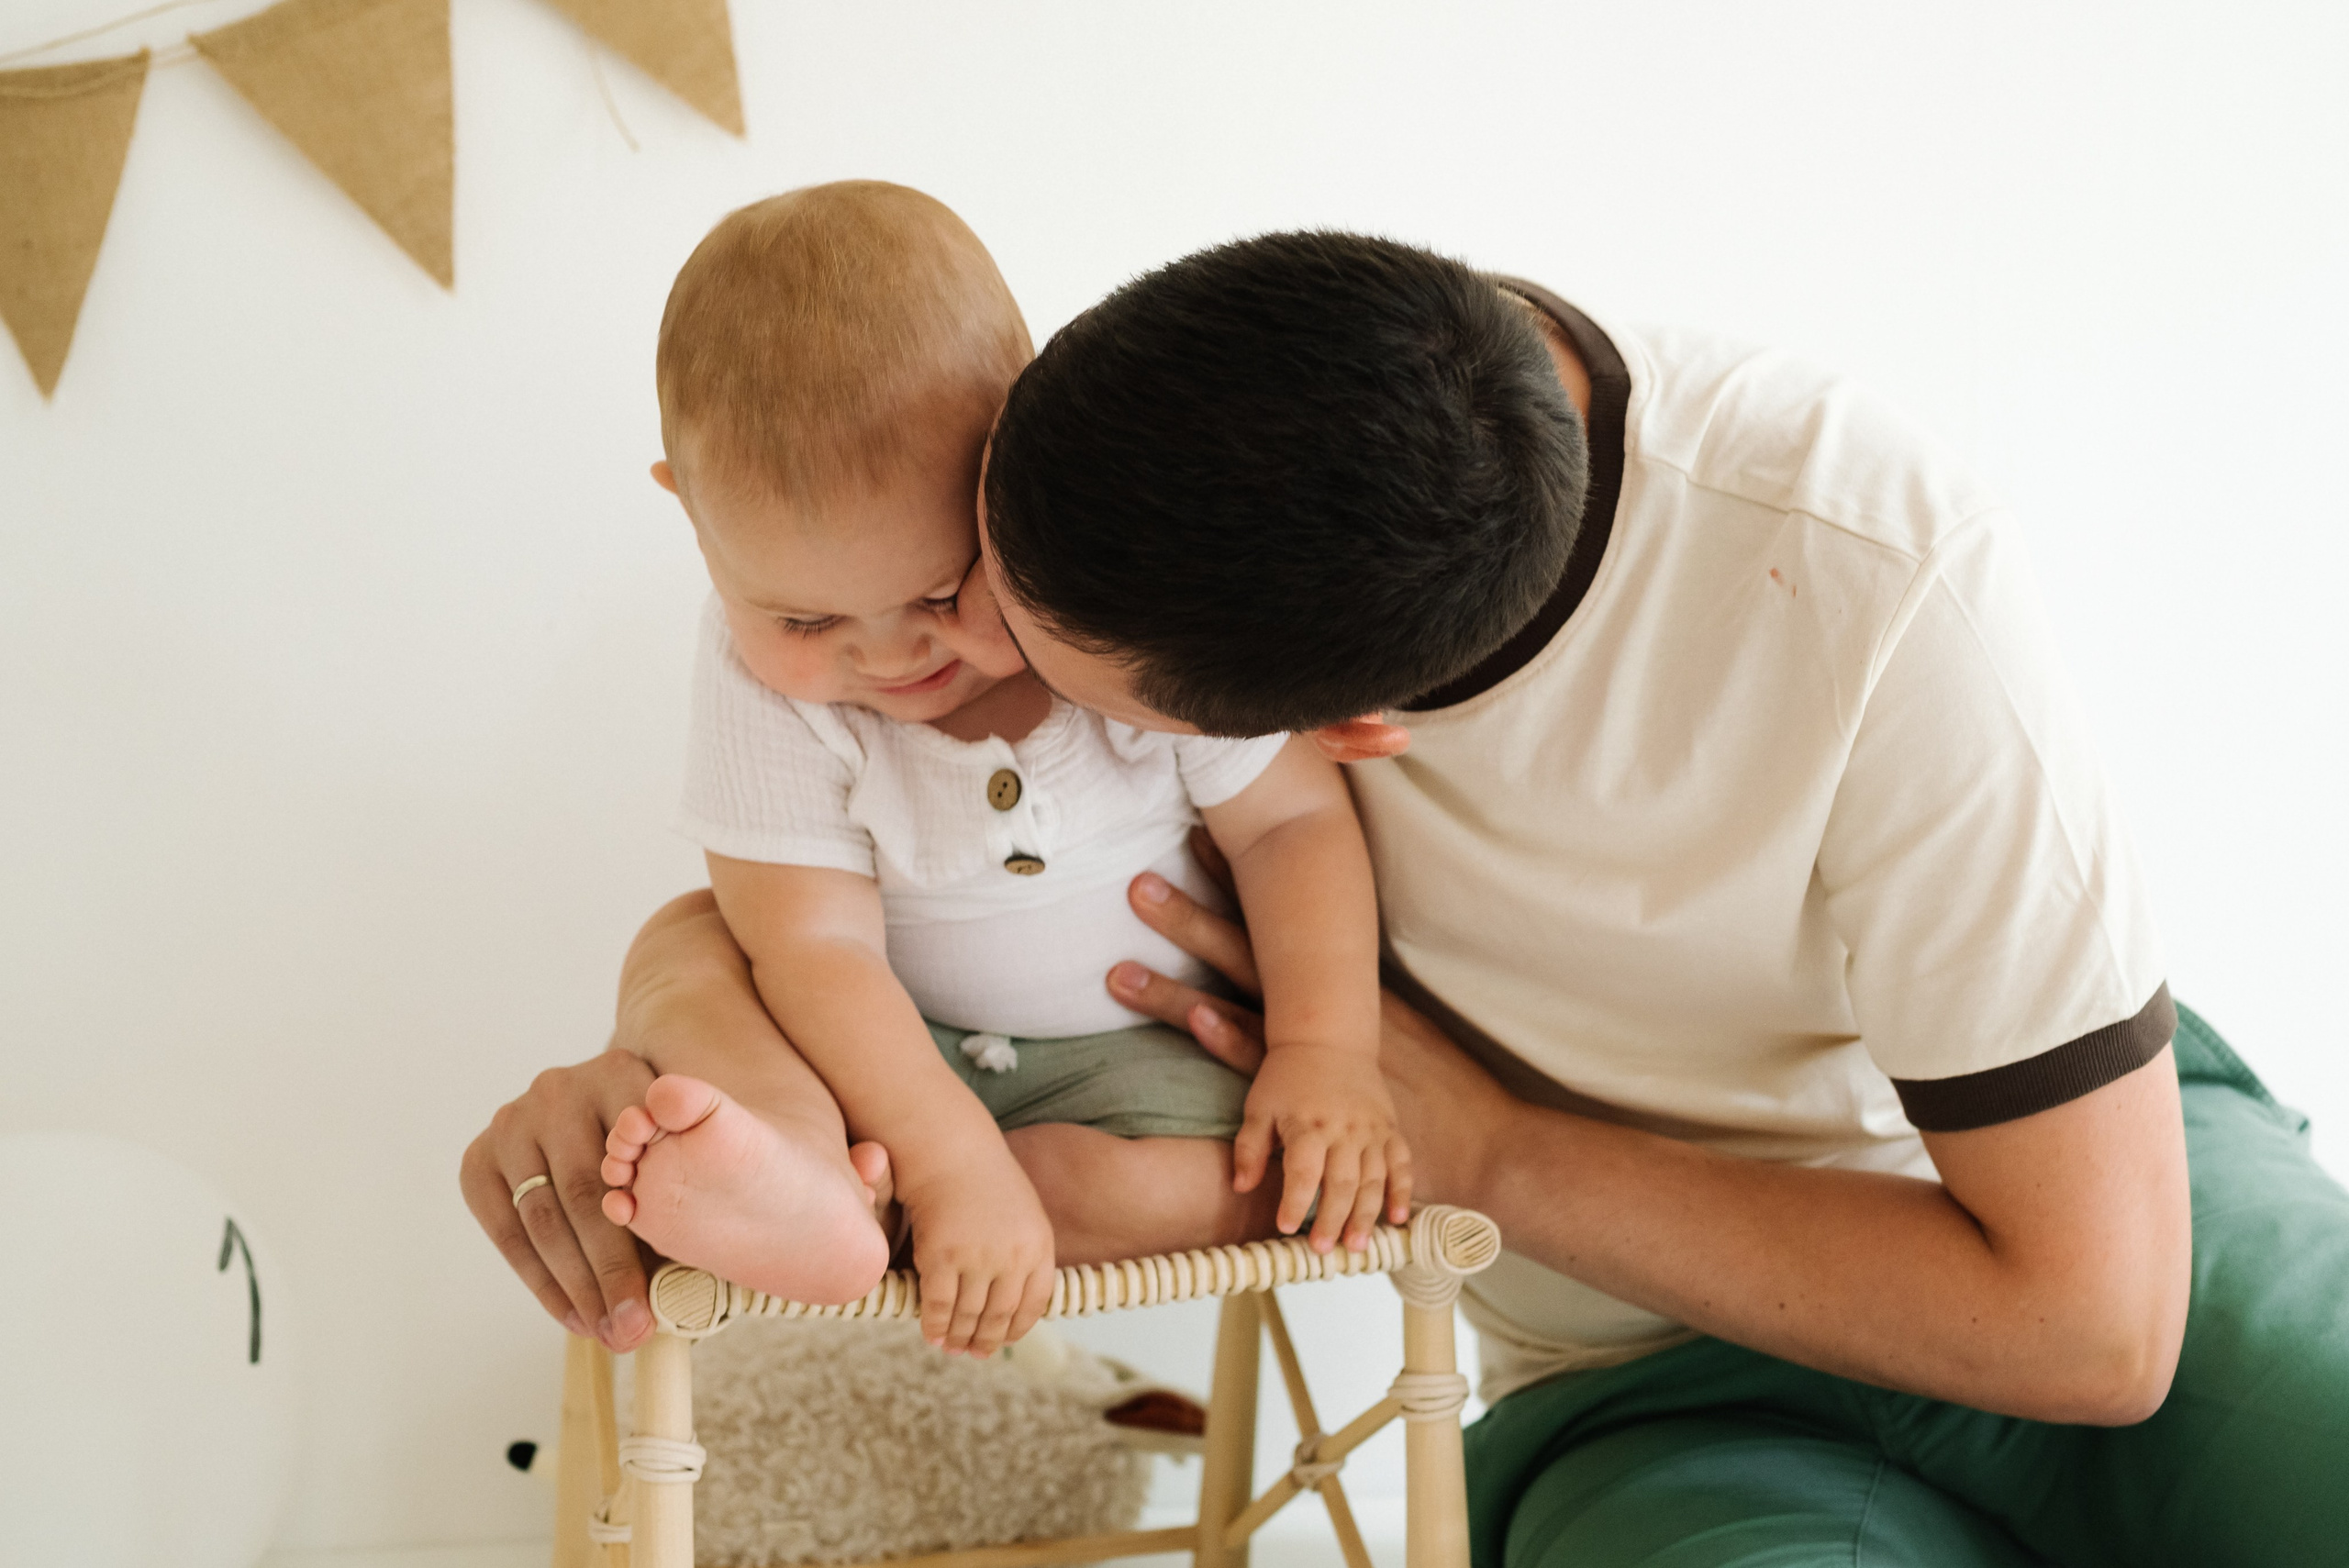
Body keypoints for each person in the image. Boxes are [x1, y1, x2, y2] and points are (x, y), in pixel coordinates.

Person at [464, 230, 2349, 1564]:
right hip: (1639, 1384)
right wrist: (657, 1057)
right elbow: (806, 893)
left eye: (1013, 656)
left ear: (1337, 732)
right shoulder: (1139, 466)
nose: (950, 681)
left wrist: (1492, 1150)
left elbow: (2097, 1324)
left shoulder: (1870, 574)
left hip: (2052, 1205)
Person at [573, 183, 1409, 1356]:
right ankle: (805, 1171)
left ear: (1022, 466)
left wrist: (1328, 1051)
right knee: (701, 952)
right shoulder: (749, 674)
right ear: (693, 517)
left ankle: (903, 1207)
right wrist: (946, 1148)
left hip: (1147, 1066)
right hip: (885, 1060)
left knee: (1161, 1180)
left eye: (935, 592)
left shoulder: (1117, 596)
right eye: (807, 623)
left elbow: (1288, 830)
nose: (887, 655)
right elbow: (815, 946)